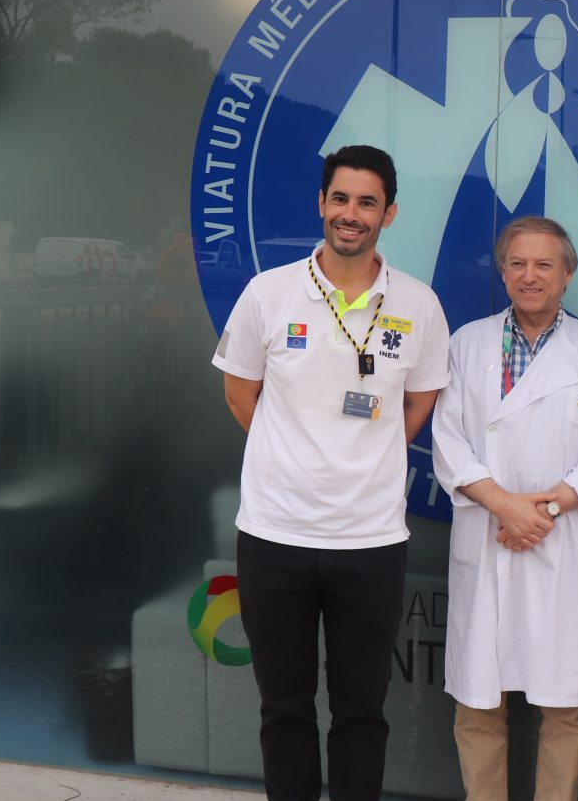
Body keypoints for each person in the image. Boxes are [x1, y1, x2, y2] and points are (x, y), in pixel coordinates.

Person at [211, 144, 450, 801]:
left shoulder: (419, 305)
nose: (351, 214)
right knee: (284, 709)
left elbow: (420, 403)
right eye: (340, 198)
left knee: (361, 712)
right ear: (321, 203)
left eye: (367, 202)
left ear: (389, 214)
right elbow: (240, 393)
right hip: (275, 537)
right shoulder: (269, 293)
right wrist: (294, 454)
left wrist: (361, 458)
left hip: (370, 543)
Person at [431, 215, 578, 800]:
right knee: (479, 702)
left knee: (567, 706)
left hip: (562, 543)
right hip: (488, 535)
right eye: (517, 263)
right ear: (502, 271)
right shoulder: (466, 344)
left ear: (567, 274)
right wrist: (503, 505)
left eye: (545, 264)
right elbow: (448, 439)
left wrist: (542, 512)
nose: (530, 275)